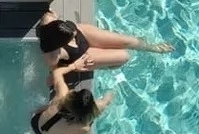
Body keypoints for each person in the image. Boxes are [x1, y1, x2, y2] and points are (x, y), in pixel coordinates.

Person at [35, 10, 172, 87]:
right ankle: (105, 65)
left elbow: (50, 14)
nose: (74, 32)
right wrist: (74, 67)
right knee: (124, 56)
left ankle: (153, 48)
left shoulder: (49, 21)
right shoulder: (52, 56)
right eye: (71, 34)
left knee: (127, 41)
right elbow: (53, 78)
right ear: (60, 42)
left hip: (85, 34)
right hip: (80, 55)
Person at [29, 62, 113, 134]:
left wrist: (73, 66)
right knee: (102, 105)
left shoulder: (62, 94)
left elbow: (57, 73)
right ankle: (112, 91)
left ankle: (38, 112)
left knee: (52, 107)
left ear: (74, 96)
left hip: (35, 123)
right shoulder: (83, 126)